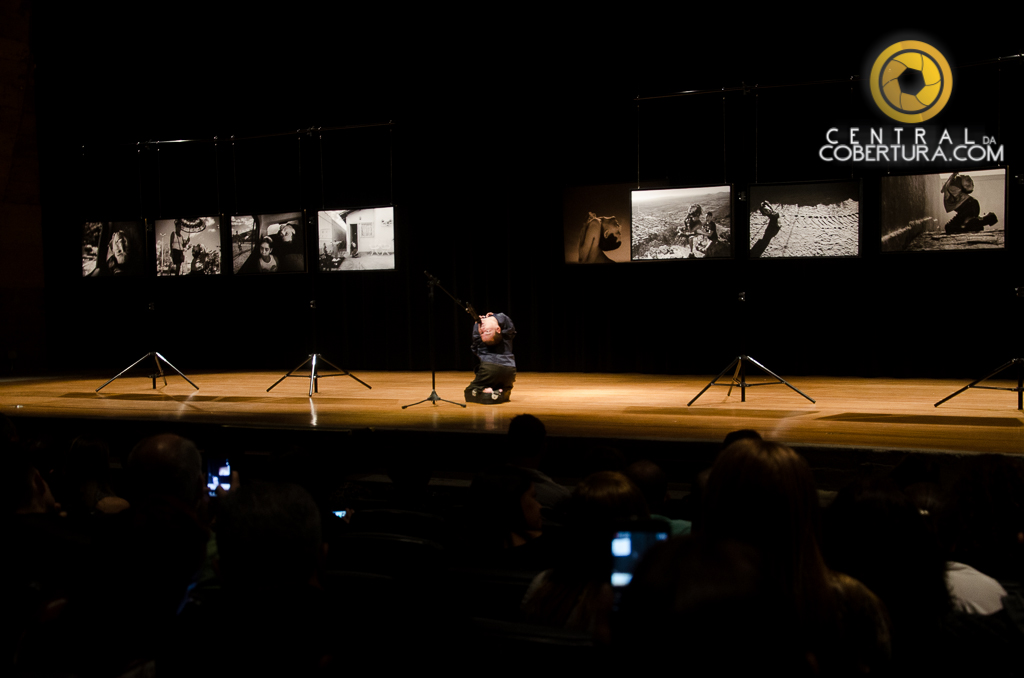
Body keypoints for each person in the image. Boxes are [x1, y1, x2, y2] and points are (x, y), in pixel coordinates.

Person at [465, 312, 516, 404]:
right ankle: (500, 392)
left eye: (487, 331)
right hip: (509, 370)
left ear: (498, 329)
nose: (483, 329)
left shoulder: (481, 343)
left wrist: (477, 326)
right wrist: (493, 317)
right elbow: (506, 320)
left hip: (489, 369)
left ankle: (487, 393)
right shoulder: (507, 335)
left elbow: (475, 343)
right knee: (506, 390)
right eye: (482, 332)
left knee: (469, 393)